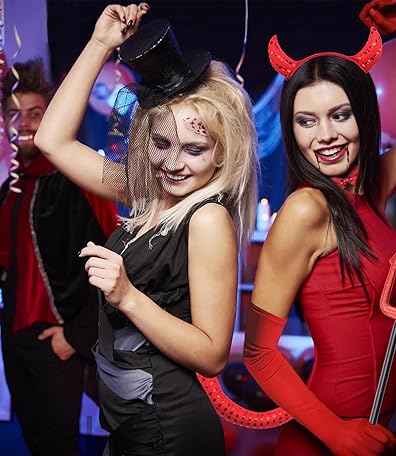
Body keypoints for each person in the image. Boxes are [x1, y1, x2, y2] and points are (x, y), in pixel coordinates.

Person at [35, 3, 258, 455]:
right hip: (133, 425)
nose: (172, 164)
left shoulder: (208, 218)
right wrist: (100, 43)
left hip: (170, 430)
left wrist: (127, 296)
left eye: (194, 149)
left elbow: (213, 354)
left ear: (222, 153)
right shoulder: (146, 193)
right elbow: (51, 141)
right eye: (161, 143)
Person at [243, 0, 396, 455]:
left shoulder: (373, 189)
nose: (325, 135)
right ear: (292, 129)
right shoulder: (307, 210)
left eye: (340, 115)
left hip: (374, 434)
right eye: (306, 121)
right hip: (325, 440)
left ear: (364, 114)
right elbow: (258, 354)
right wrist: (336, 433)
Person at [0, 59, 118, 455]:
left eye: (35, 113)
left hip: (61, 340)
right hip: (17, 341)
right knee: (34, 442)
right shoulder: (11, 186)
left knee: (58, 447)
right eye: (13, 114)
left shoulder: (77, 179)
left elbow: (115, 258)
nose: (23, 124)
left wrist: (76, 336)